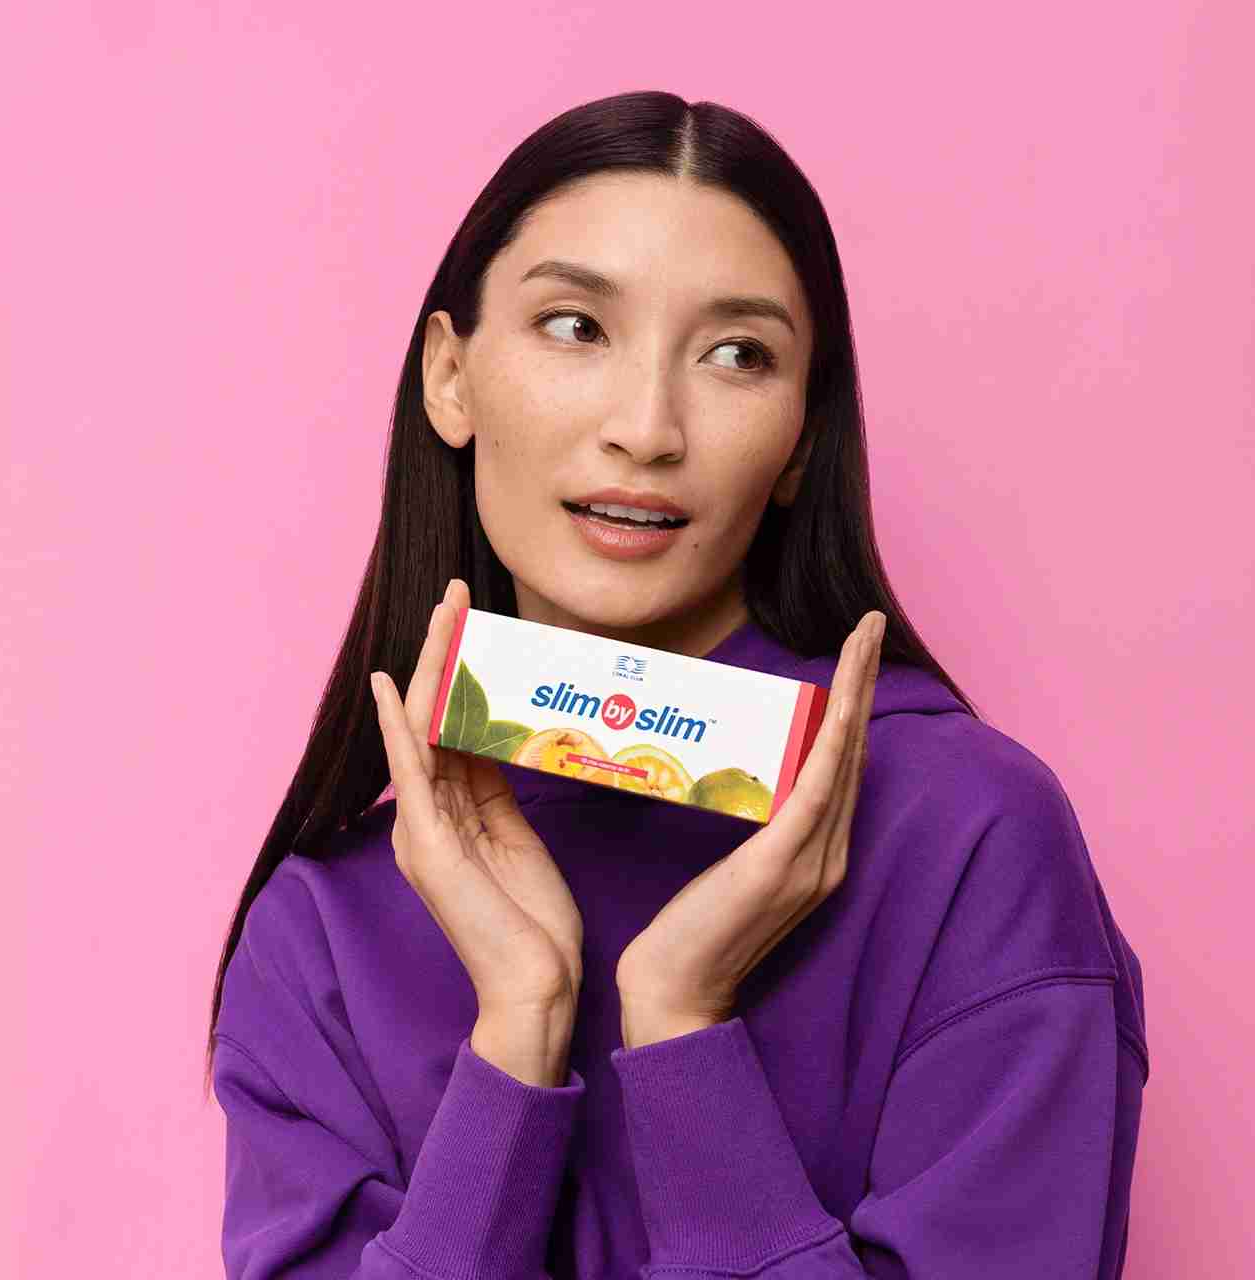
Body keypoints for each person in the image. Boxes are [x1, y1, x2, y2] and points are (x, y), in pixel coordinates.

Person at [204, 89, 1149, 1279]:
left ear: (802, 435)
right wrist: (520, 1032)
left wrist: (681, 1026)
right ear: (451, 375)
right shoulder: (321, 929)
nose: (648, 427)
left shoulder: (969, 838)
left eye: (736, 354)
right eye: (574, 326)